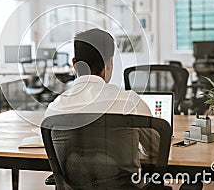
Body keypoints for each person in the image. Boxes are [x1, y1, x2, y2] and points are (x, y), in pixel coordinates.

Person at [44, 28, 160, 189]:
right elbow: (156, 150)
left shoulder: (55, 108)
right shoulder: (128, 102)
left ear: (74, 64)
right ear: (109, 63)